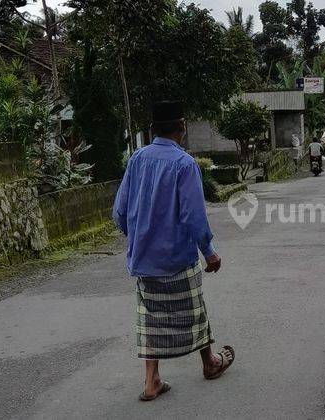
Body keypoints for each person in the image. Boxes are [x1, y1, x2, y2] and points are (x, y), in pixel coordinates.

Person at [113, 100, 234, 402]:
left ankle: (151, 380)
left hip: (143, 261)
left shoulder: (137, 159)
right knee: (195, 311)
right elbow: (194, 215)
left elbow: (120, 211)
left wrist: (139, 236)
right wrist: (209, 252)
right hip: (177, 259)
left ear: (153, 128)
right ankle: (209, 363)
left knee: (149, 317)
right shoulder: (184, 164)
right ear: (182, 126)